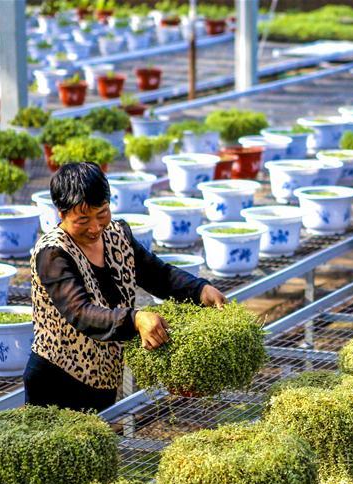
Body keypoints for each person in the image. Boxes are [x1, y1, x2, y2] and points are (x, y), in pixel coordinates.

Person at [24, 162, 226, 411]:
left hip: (103, 376)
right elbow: (80, 312)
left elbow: (158, 274)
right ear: (61, 213)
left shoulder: (117, 234)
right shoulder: (53, 254)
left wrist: (199, 290)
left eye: (102, 214)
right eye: (83, 220)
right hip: (58, 379)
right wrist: (135, 319)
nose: (95, 227)